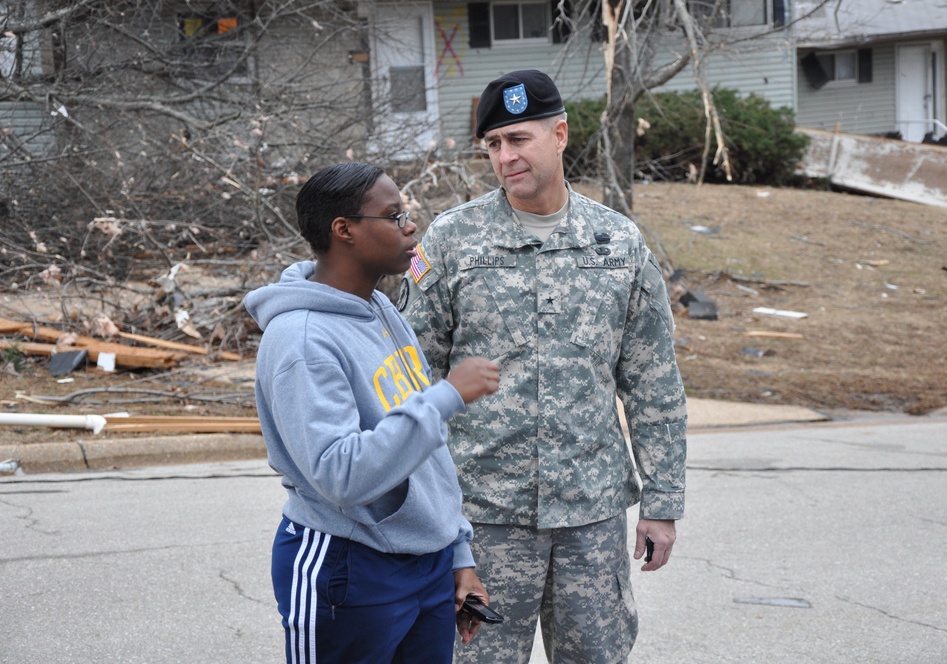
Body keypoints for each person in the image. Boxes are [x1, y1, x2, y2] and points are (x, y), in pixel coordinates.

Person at [399, 70, 687, 663]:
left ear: (559, 135)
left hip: (592, 516)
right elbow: (411, 378)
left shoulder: (618, 244)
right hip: (482, 518)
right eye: (494, 145)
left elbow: (652, 382)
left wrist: (662, 503)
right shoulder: (453, 241)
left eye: (519, 140)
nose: (506, 157)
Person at [244, 162, 501, 663]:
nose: (411, 227)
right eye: (394, 215)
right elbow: (340, 474)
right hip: (347, 564)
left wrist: (458, 551)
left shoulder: (381, 311)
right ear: (345, 230)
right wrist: (447, 394)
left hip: (425, 566)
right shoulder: (301, 339)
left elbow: (426, 454)